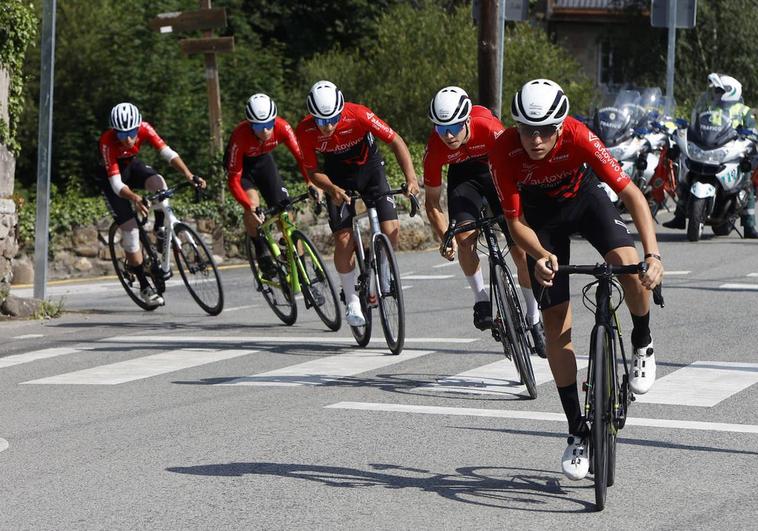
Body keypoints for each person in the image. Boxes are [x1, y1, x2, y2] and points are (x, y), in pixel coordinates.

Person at [488, 79, 664, 481]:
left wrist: (654, 256)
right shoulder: (503, 151)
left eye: (545, 130)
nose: (535, 139)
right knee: (556, 328)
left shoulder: (579, 135)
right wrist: (539, 255)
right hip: (540, 222)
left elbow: (633, 196)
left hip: (584, 201)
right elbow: (514, 222)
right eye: (526, 129)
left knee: (628, 263)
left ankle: (642, 340)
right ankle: (577, 431)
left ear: (560, 124)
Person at [423, 86, 545, 355]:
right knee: (464, 238)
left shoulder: (489, 127)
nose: (449, 135)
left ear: (466, 120)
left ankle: (533, 316)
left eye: (454, 126)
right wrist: (446, 235)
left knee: (521, 253)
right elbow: (432, 203)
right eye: (441, 129)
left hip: (496, 171)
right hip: (464, 180)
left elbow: (520, 165)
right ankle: (481, 299)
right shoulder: (435, 148)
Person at [295, 80, 420, 326]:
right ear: (313, 117)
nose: (328, 126)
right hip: (337, 179)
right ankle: (352, 300)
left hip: (371, 171)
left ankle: (382, 273)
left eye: (332, 119)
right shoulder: (305, 131)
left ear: (341, 110)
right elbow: (312, 171)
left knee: (391, 229)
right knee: (343, 238)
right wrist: (331, 188)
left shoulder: (359, 114)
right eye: (321, 121)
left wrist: (411, 179)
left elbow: (396, 141)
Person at [98, 102, 206, 308]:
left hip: (132, 166)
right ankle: (145, 286)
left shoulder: (145, 128)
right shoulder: (107, 142)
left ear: (138, 127)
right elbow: (116, 183)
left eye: (131, 132)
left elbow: (168, 153)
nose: (128, 139)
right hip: (112, 180)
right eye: (121, 134)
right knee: (130, 233)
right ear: (114, 131)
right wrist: (135, 198)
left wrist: (189, 174)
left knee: (159, 183)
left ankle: (160, 227)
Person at [663, 73, 758, 238]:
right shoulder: (709, 108)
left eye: (719, 90)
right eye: (715, 90)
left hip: (732, 150)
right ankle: (679, 216)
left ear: (731, 91)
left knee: (746, 180)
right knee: (686, 173)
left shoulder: (744, 111)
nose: (715, 93)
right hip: (709, 148)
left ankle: (749, 225)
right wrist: (687, 129)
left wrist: (750, 135)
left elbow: (753, 130)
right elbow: (698, 124)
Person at [225, 93, 310, 275]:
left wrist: (310, 181)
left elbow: (302, 158)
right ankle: (261, 249)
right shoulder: (240, 137)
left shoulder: (282, 127)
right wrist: (249, 207)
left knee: (285, 215)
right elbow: (233, 180)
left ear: (274, 119)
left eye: (268, 124)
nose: (264, 130)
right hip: (243, 169)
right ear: (250, 124)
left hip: (264, 163)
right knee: (253, 204)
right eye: (258, 126)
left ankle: (302, 272)